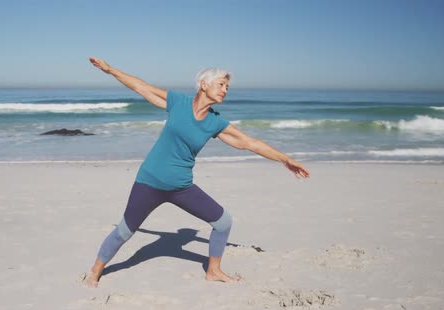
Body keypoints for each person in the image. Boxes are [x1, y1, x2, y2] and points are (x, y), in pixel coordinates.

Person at [84, 57, 310, 287]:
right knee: (124, 231)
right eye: (221, 84)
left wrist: (285, 159)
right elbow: (140, 86)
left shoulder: (215, 122)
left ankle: (213, 271)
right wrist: (110, 70)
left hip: (181, 187)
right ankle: (94, 272)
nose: (225, 90)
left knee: (223, 222)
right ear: (204, 84)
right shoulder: (177, 103)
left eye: (227, 87)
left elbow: (249, 142)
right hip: (149, 182)